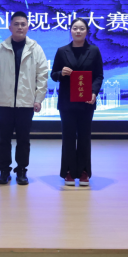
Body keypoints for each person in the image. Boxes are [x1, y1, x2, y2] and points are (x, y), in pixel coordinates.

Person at [0, 11, 49, 185]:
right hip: (4, 102)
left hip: (26, 102)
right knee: (4, 139)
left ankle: (22, 170)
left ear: (28, 27)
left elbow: (42, 75)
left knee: (23, 140)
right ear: (10, 27)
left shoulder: (36, 49)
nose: (20, 27)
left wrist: (38, 99)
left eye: (23, 24)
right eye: (16, 24)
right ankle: (4, 171)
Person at [51, 18, 104, 187]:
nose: (78, 31)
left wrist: (94, 92)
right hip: (67, 102)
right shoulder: (62, 51)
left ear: (87, 31)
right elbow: (53, 75)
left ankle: (83, 172)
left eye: (82, 28)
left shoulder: (94, 51)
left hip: (86, 101)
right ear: (70, 31)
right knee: (68, 137)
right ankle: (68, 171)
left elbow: (99, 75)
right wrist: (61, 73)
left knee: (84, 137)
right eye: (75, 28)